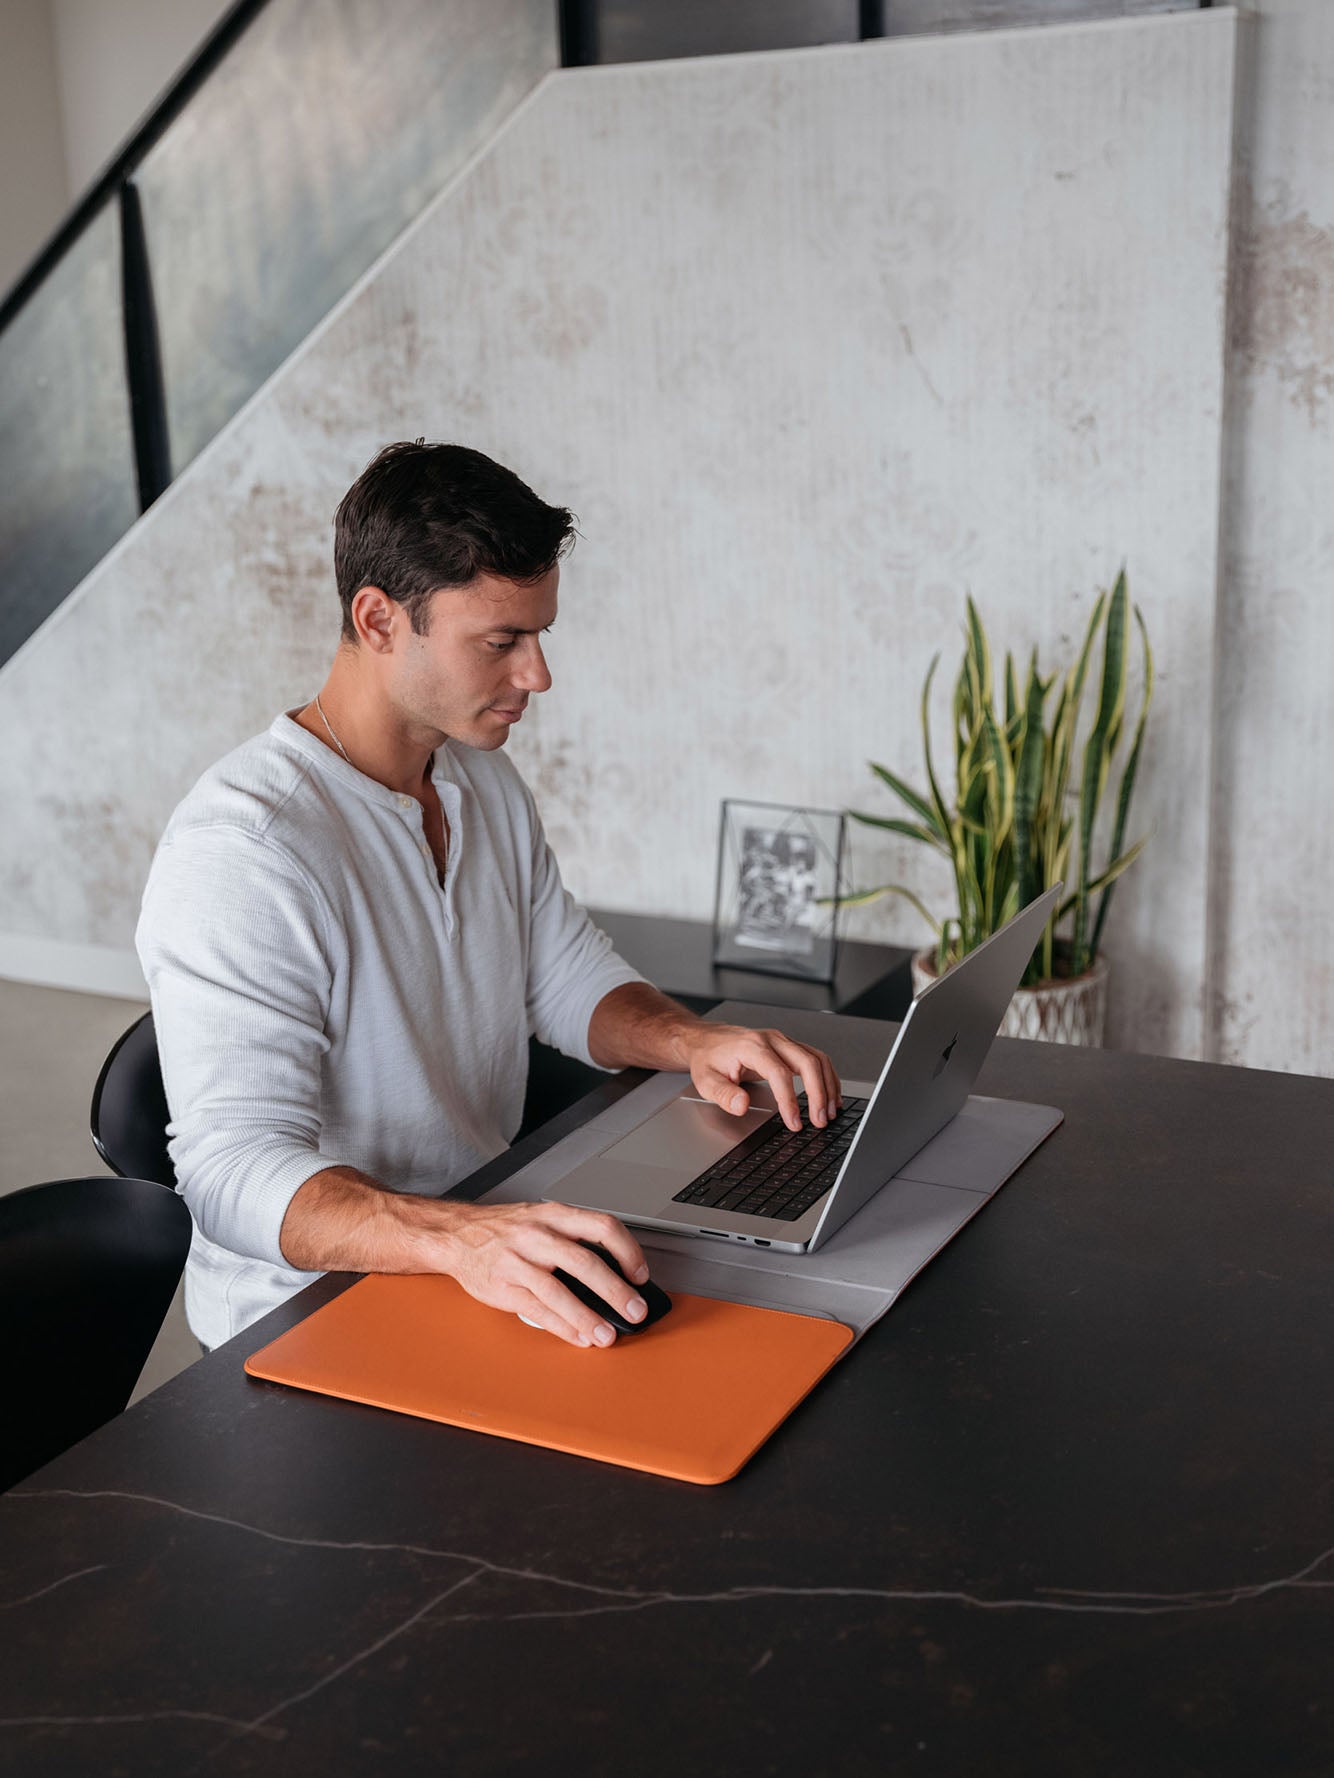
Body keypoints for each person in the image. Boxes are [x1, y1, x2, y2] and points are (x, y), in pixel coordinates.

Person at [136, 442, 841, 1354]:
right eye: (501, 642)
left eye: (539, 635)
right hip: (307, 1316)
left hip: (482, 1242)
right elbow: (231, 1174)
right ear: (379, 620)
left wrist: (691, 1041)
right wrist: (461, 1239)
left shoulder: (478, 779)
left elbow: (564, 977)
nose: (537, 675)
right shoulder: (244, 850)